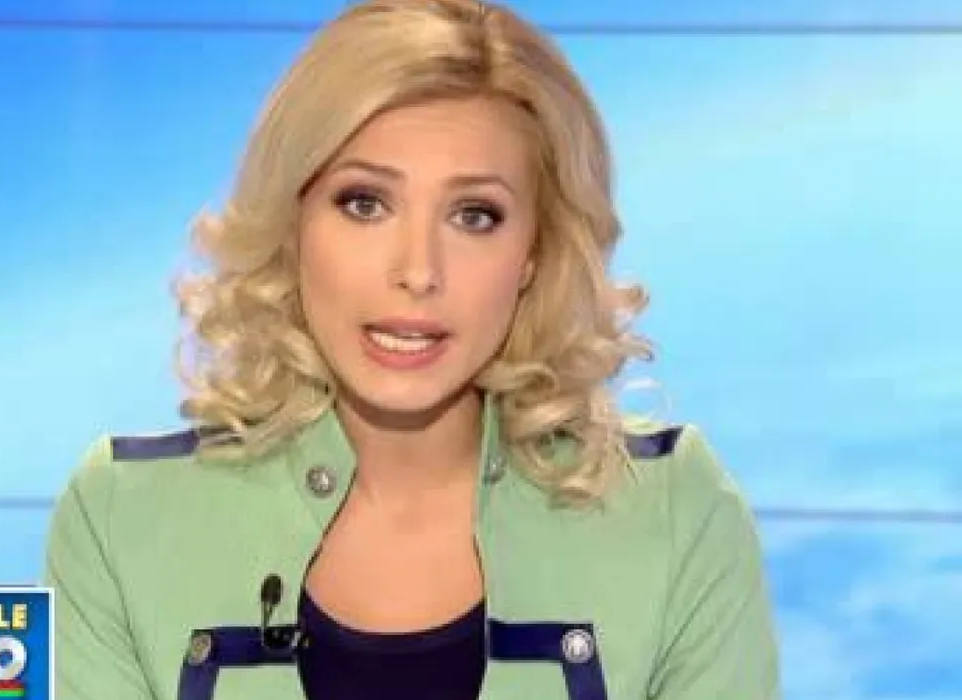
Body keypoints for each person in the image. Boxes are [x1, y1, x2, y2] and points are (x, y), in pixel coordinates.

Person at [43, 0, 781, 698]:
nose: (418, 272)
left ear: (533, 252)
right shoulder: (119, 520)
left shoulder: (675, 515)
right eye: (365, 203)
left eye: (474, 215)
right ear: (294, 224)